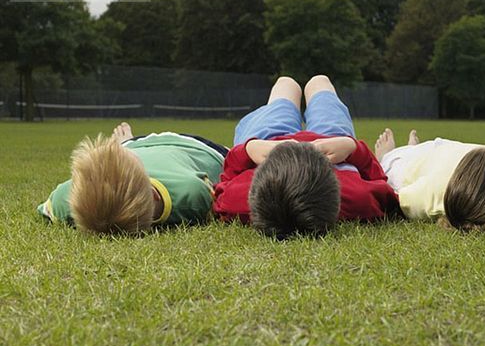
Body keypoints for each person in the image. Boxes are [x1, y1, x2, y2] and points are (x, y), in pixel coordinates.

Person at [213, 75, 399, 238]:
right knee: (319, 81)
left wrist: (250, 149)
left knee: (285, 84)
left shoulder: (238, 201)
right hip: (332, 140)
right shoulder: (358, 199)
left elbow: (223, 184)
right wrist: (351, 147)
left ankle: (291, 84)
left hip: (267, 140)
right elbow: (385, 188)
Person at [37, 122, 227, 235]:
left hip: (138, 145)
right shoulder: (191, 195)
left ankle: (127, 142)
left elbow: (49, 206)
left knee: (127, 150)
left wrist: (126, 147)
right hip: (195, 147)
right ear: (154, 195)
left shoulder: (65, 201)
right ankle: (128, 144)